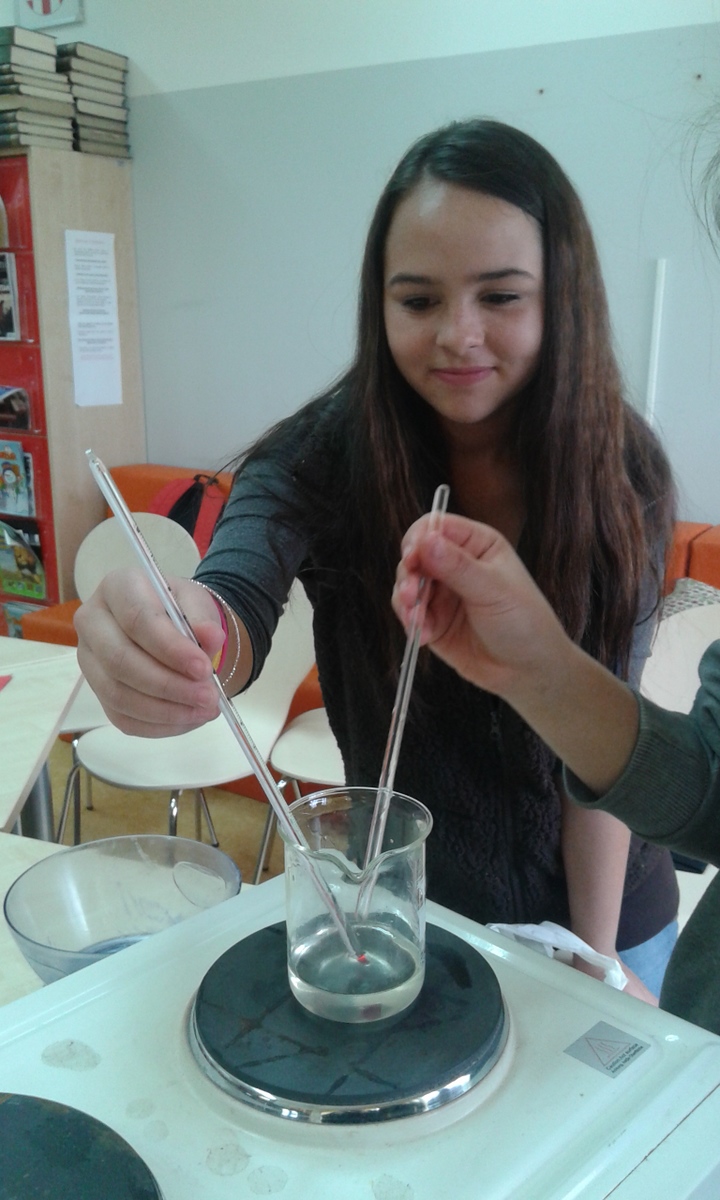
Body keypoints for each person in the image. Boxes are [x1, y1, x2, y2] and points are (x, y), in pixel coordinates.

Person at [75, 118, 676, 1000]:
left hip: (613, 913)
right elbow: (233, 598)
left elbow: (606, 741)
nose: (459, 335)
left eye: (501, 297)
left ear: (562, 298)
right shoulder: (320, 458)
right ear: (380, 304)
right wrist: (186, 640)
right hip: (410, 912)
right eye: (420, 301)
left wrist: (595, 957)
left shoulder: (622, 473)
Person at [392, 513, 720, 1034]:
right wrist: (537, 668)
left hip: (624, 914)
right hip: (451, 920)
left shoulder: (616, 501)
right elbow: (703, 784)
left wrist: (597, 955)